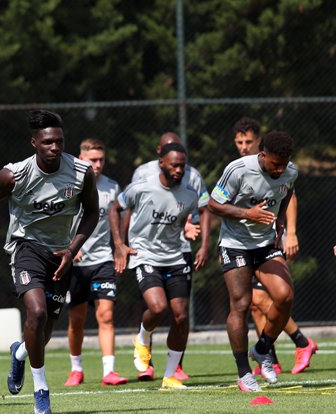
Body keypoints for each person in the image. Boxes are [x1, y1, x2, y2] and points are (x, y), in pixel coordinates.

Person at [0, 110, 98, 414]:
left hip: (61, 254)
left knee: (43, 334)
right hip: (26, 248)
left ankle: (20, 352)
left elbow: (92, 212)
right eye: (47, 142)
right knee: (36, 312)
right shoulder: (15, 174)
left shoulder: (81, 172)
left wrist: (72, 249)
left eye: (59, 141)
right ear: (34, 143)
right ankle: (41, 392)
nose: (54, 147)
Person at [209, 130, 297, 392]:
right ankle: (244, 372)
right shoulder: (238, 170)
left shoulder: (290, 171)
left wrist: (280, 221)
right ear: (263, 155)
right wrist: (247, 213)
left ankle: (261, 349)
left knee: (285, 296)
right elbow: (214, 205)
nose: (280, 170)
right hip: (235, 245)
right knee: (241, 304)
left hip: (265, 244)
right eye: (275, 164)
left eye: (284, 164)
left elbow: (287, 192)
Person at [110, 143, 199, 389]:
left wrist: (189, 227)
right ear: (162, 163)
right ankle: (143, 337)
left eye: (182, 166)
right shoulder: (141, 187)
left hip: (175, 258)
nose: (179, 170)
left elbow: (195, 216)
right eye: (174, 165)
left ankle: (170, 376)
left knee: (181, 316)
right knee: (158, 308)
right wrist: (119, 244)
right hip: (145, 255)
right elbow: (114, 207)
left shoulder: (189, 195)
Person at [233, 118, 317, 375]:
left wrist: (291, 233)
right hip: (245, 243)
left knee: (268, 298)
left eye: (248, 141)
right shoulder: (241, 168)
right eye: (239, 142)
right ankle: (271, 359)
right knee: (256, 303)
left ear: (260, 143)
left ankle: (302, 343)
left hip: (271, 241)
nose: (243, 146)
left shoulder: (278, 167)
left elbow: (290, 197)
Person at [64, 138, 127, 387]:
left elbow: (118, 219)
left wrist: (119, 246)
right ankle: (76, 369)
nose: (98, 165)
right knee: (76, 320)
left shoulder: (112, 187)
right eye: (93, 160)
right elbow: (58, 219)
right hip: (74, 264)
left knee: (106, 315)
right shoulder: (68, 184)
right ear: (81, 159)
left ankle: (109, 372)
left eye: (101, 160)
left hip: (103, 261)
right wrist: (70, 247)